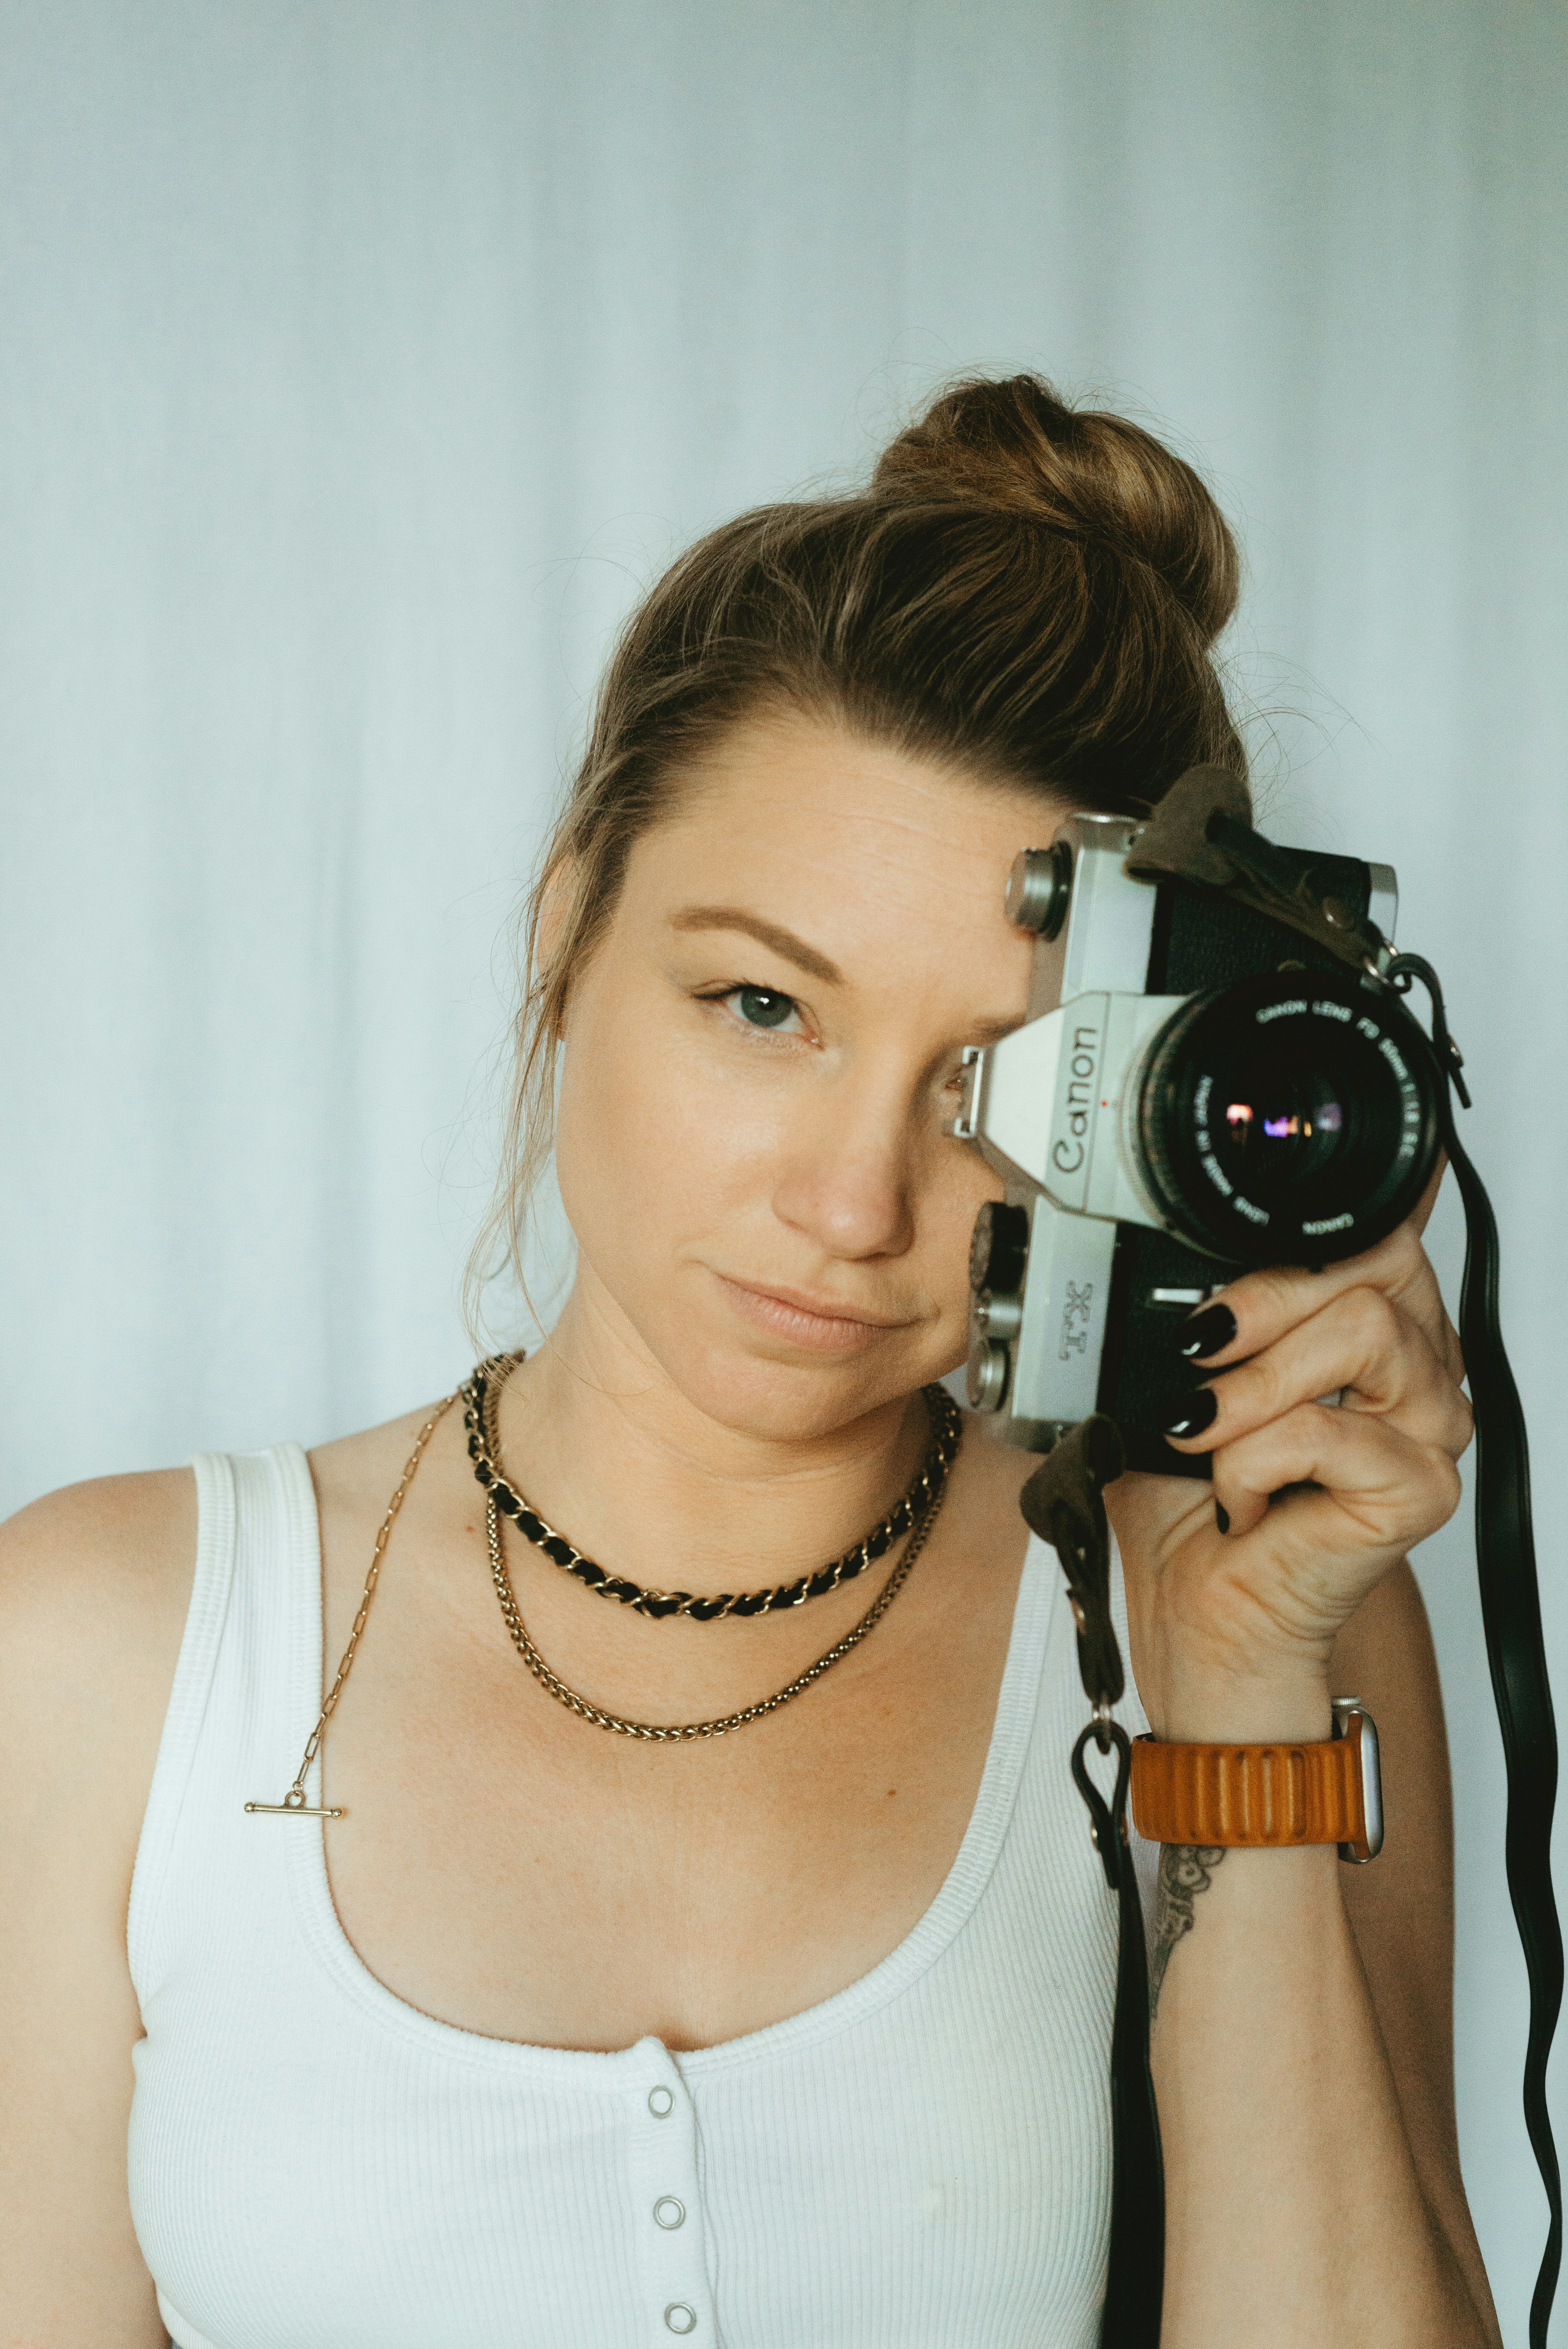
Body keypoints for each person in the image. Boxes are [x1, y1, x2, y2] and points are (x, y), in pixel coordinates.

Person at [0, 374, 1501, 2347]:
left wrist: (1234, 1679)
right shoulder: (114, 1648)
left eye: (999, 1087)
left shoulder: (1211, 1611)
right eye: (763, 1003)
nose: (856, 1200)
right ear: (568, 935)